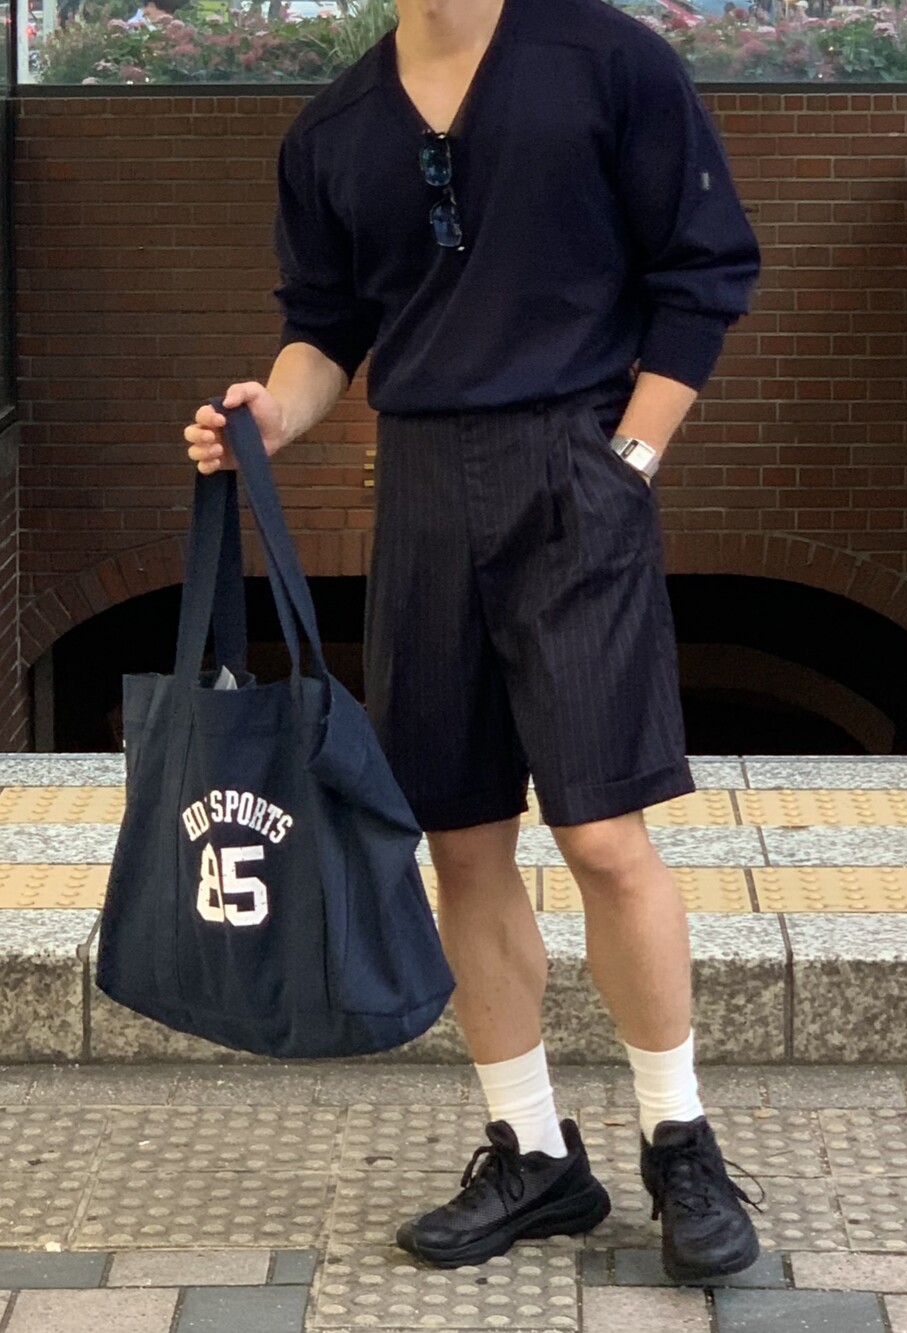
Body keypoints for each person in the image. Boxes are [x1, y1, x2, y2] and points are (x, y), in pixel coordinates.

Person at [184, 0, 762, 1282]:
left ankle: (679, 1139)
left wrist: (628, 459)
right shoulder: (334, 127)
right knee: (459, 840)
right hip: (422, 489)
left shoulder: (606, 60)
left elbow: (704, 269)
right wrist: (269, 417)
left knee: (604, 835)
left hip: (577, 469)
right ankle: (533, 1151)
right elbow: (326, 327)